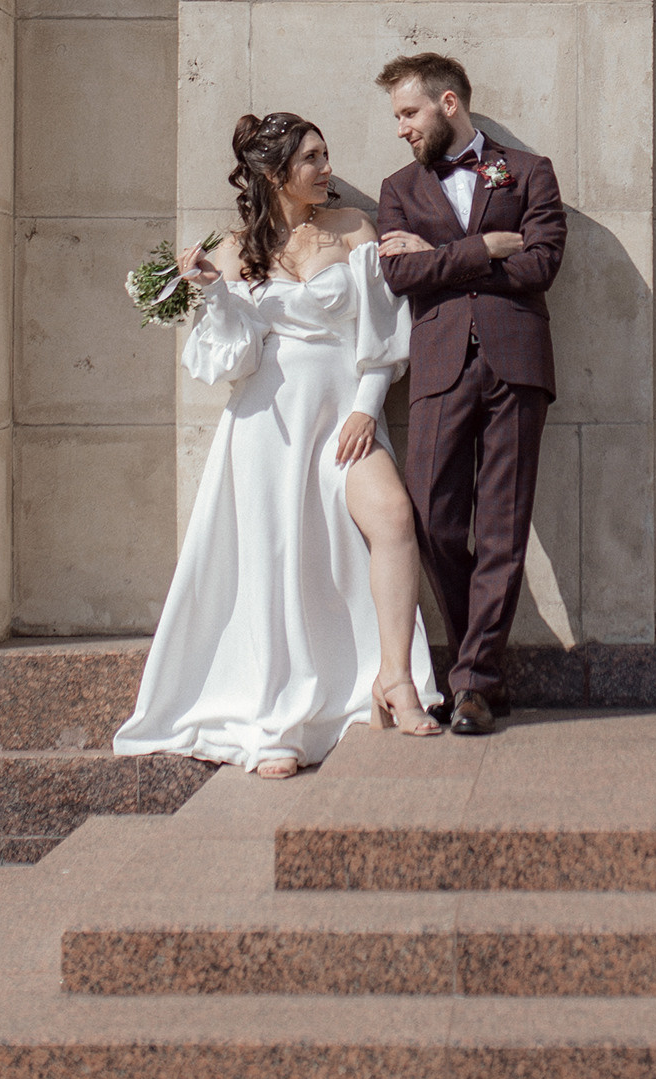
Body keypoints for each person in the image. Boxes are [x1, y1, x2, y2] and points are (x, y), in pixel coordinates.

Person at [113, 111, 441, 777]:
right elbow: (233, 361)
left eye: (325, 154)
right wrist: (213, 295)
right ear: (273, 174)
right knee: (273, 559)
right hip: (265, 424)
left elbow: (382, 335)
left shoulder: (353, 230)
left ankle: (396, 681)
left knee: (393, 518)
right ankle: (277, 716)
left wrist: (365, 409)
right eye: (312, 158)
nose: (326, 168)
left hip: (344, 415)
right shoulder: (233, 251)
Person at [374, 52, 568, 737]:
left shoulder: (529, 171)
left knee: (501, 527)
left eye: (407, 112)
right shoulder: (397, 188)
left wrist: (438, 260)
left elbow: (542, 263)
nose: (399, 128)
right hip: (437, 371)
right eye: (396, 115)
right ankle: (472, 667)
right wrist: (484, 248)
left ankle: (475, 685)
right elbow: (399, 278)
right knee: (432, 519)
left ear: (448, 103)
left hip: (516, 366)